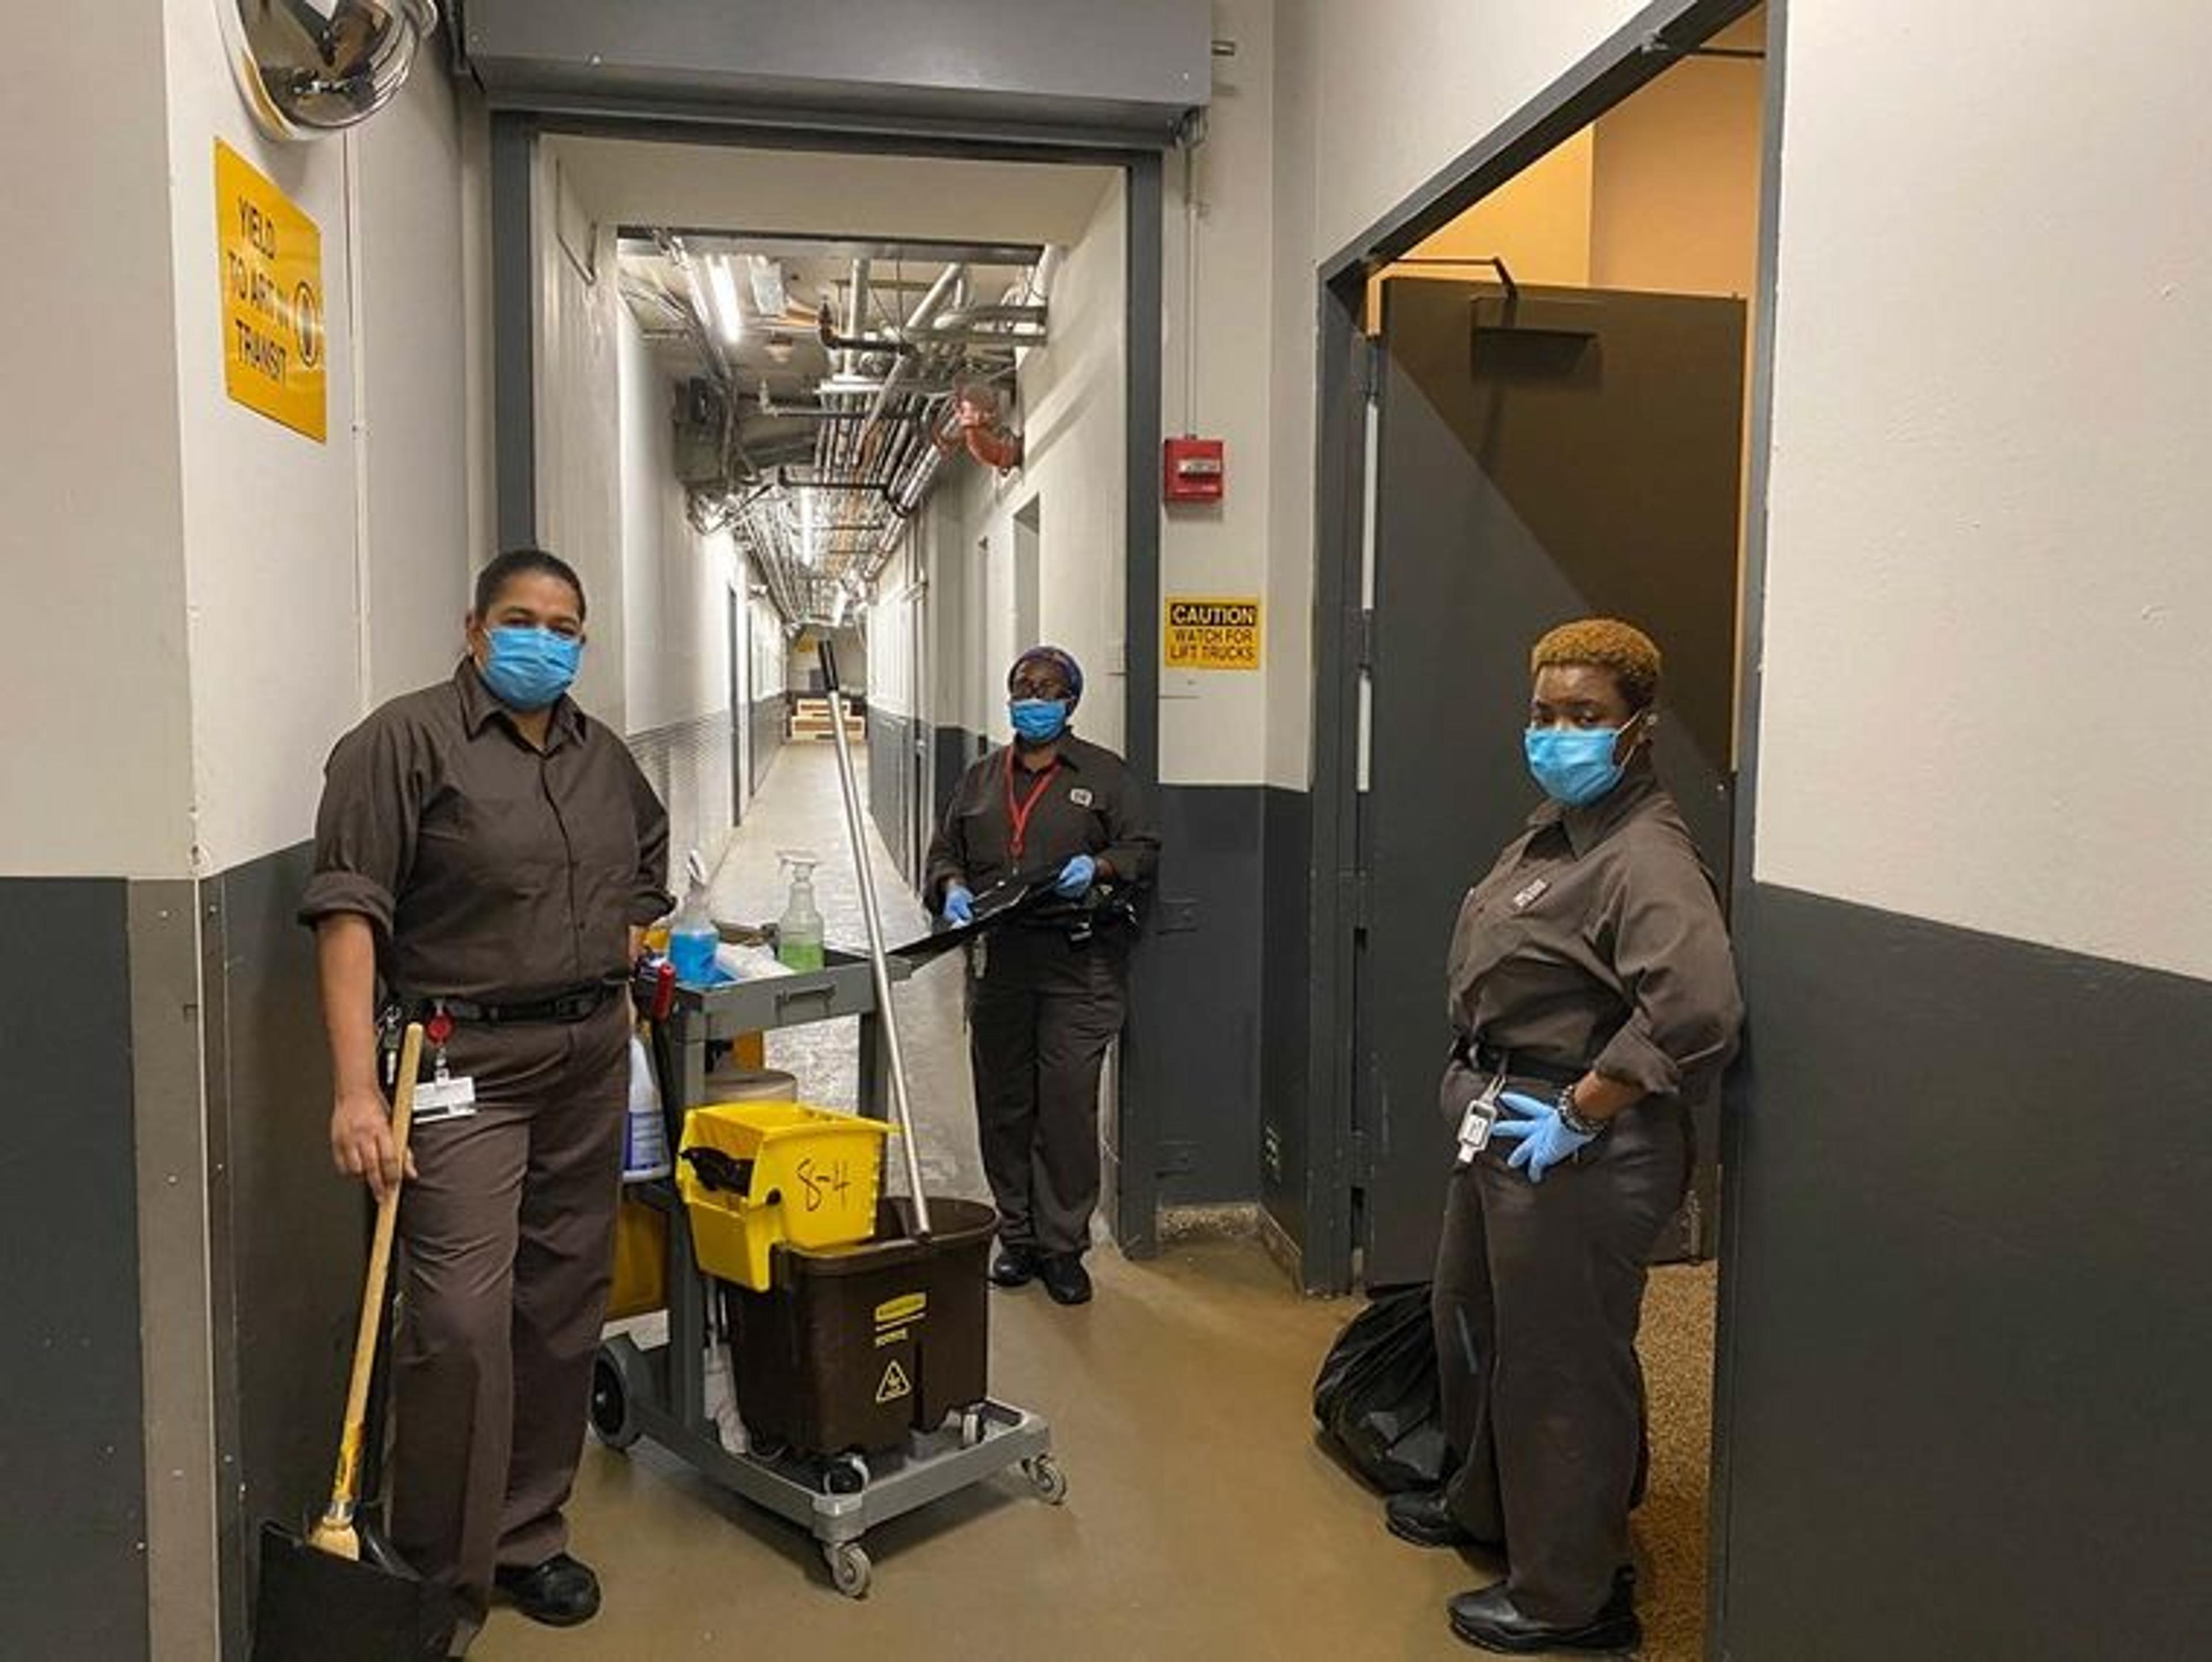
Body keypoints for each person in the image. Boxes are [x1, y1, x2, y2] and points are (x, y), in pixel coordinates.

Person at [298, 548, 672, 1653]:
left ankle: (525, 1537)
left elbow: (648, 860)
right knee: (460, 1321)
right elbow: (348, 913)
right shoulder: (401, 743)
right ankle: (434, 1580)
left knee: (562, 1299)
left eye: (564, 627)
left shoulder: (603, 759)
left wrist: (622, 946)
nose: (542, 642)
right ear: (474, 630)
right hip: (459, 1063)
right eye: (520, 619)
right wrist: (355, 1092)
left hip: (588, 1056)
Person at [1383, 618, 1743, 1656]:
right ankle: (1491, 1505)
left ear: (1637, 729)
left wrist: (1586, 1107)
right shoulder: (1553, 830)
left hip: (1578, 1143)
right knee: (1472, 1319)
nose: (1557, 733)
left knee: (1561, 1365)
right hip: (1504, 1126)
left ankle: (1570, 1595)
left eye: (1585, 715)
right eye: (1545, 713)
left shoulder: (1646, 855)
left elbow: (1698, 1008)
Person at [924, 646, 1160, 1306]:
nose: (1033, 696)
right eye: (1023, 685)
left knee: (1065, 1106)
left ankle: (1062, 1246)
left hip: (1078, 965)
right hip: (1000, 962)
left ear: (1071, 700)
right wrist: (950, 887)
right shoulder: (980, 779)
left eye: (1048, 687)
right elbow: (944, 850)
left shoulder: (1106, 775)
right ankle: (1018, 1236)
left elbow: (1142, 847)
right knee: (1003, 1103)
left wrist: (1101, 867)